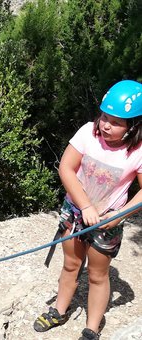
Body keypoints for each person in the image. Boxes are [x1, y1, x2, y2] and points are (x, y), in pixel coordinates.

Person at [33, 80, 142, 340]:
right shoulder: (87, 133)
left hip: (107, 220)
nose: (105, 125)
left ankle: (92, 327)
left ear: (134, 125)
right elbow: (66, 168)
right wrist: (85, 205)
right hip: (74, 212)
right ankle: (59, 310)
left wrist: (118, 216)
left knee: (97, 274)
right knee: (71, 264)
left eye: (116, 122)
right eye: (104, 117)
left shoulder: (138, 151)